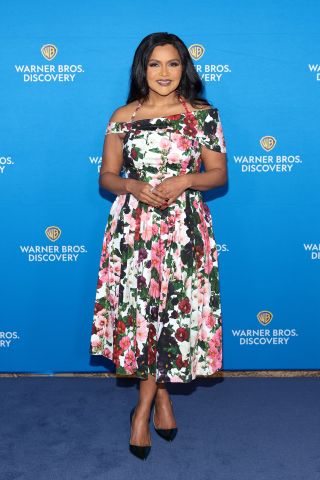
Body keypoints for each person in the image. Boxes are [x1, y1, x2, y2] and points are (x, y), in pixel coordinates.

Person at [90, 31, 227, 460]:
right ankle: (156, 402)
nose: (164, 73)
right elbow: (106, 177)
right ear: (142, 68)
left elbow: (218, 174)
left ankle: (145, 406)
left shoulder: (202, 115)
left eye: (172, 64)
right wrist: (130, 183)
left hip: (185, 230)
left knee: (171, 314)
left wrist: (186, 178)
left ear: (184, 68)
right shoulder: (123, 116)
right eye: (155, 64)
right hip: (135, 231)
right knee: (143, 317)